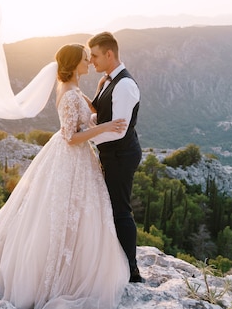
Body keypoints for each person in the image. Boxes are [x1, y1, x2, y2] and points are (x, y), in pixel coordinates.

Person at [0, 44, 130, 309]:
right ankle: (57, 277)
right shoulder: (70, 94)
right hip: (70, 158)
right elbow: (71, 137)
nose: (88, 63)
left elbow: (83, 118)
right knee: (62, 216)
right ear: (74, 65)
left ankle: (71, 269)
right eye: (85, 59)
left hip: (74, 159)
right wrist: (104, 127)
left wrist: (99, 102)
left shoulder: (73, 89)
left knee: (74, 216)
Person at [87, 31, 144, 283]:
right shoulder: (106, 80)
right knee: (109, 207)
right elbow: (103, 117)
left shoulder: (125, 85)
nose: (92, 61)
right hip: (110, 153)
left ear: (109, 54)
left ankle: (131, 270)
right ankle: (115, 261)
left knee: (121, 210)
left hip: (122, 154)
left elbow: (119, 131)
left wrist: (85, 138)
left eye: (95, 56)